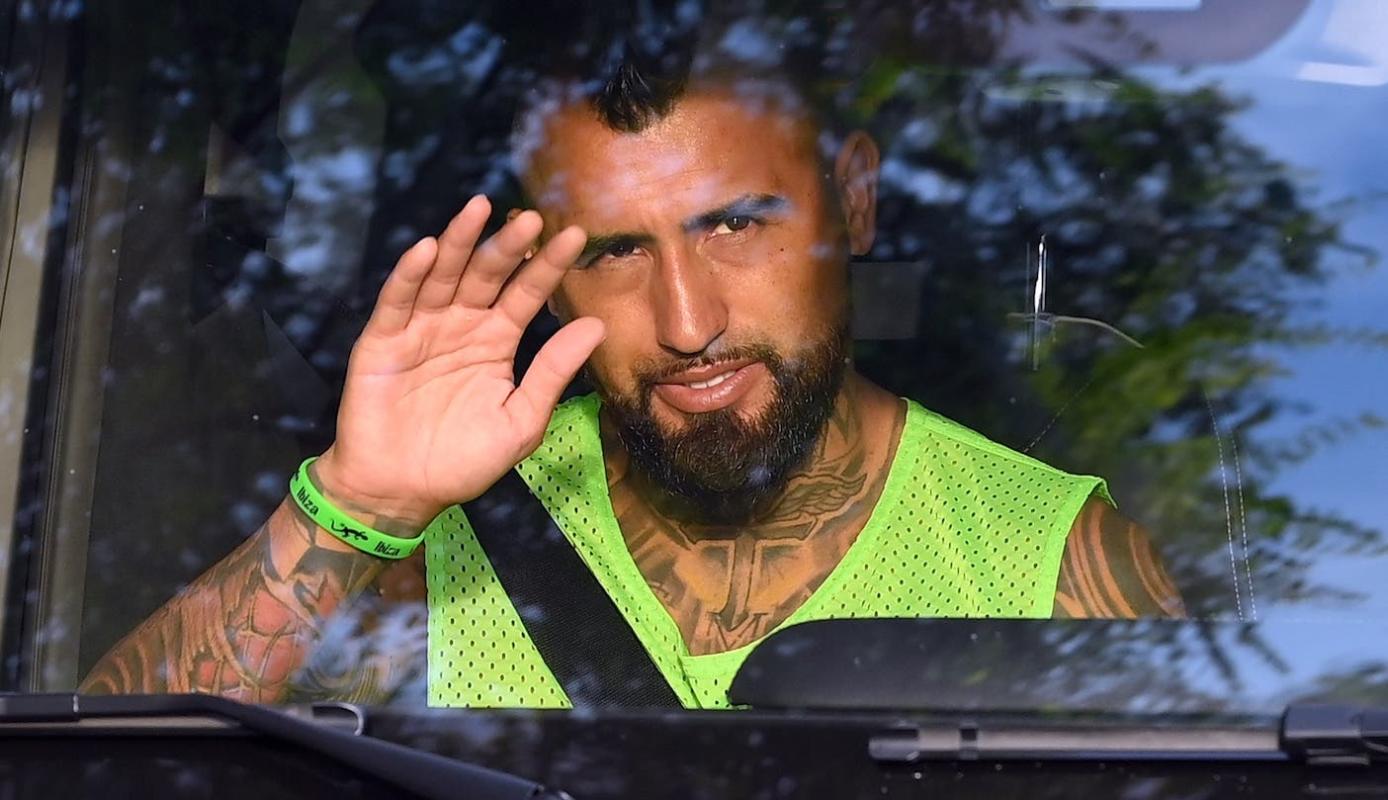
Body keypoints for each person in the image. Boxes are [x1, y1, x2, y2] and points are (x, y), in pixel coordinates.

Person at [79, 44, 1185, 710]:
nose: (688, 324)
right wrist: (358, 502)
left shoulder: (1059, 562)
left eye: (736, 225)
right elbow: (111, 772)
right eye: (614, 251)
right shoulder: (434, 536)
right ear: (548, 275)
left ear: (853, 199)